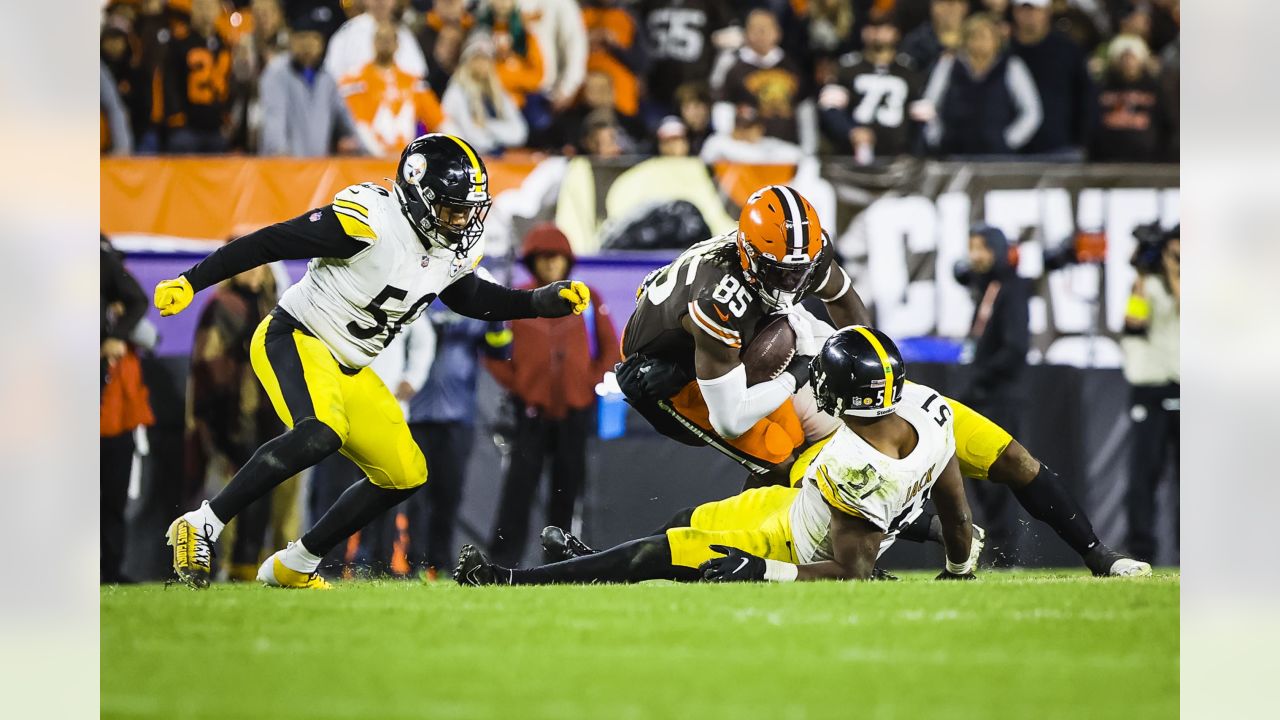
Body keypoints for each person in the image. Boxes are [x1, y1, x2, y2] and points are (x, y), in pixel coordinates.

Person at [613, 185, 1150, 577]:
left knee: (1011, 458)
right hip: (670, 371)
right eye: (780, 273)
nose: (793, 281)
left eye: (800, 270)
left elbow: (842, 298)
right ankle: (648, 559)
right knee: (781, 461)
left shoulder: (799, 257)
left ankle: (1099, 553)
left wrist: (862, 356)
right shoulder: (722, 293)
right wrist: (805, 368)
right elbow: (731, 412)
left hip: (784, 356)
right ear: (752, 257)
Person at [153, 133, 594, 590]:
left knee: (405, 473)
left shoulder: (448, 244)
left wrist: (538, 302)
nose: (462, 219)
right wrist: (192, 280)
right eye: (452, 207)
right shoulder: (371, 221)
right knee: (320, 431)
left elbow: (469, 295)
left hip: (349, 366)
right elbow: (270, 243)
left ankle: (297, 563)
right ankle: (203, 523)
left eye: (468, 208)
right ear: (419, 195)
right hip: (296, 336)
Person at [455, 327, 979, 585]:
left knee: (659, 554)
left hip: (791, 542)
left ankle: (508, 579)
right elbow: (956, 510)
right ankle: (597, 566)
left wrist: (763, 571)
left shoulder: (859, 467)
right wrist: (958, 569)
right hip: (793, 507)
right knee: (682, 525)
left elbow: (851, 572)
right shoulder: (928, 411)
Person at [485, 224, 620, 566]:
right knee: (516, 494)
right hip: (530, 413)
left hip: (575, 412)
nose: (551, 266)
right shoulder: (519, 300)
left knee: (567, 493)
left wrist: (588, 382)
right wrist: (520, 386)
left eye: (556, 259)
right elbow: (492, 353)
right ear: (532, 263)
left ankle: (560, 566)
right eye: (543, 260)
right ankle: (501, 564)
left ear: (567, 262)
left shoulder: (587, 300)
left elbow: (610, 349)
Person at [185, 264, 301, 581]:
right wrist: (218, 423)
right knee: (222, 496)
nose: (253, 274)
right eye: (247, 268)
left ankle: (245, 567)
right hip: (229, 417)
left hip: (268, 413)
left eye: (260, 268)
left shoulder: (273, 306)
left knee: (261, 493)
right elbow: (208, 365)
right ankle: (210, 566)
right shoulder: (222, 306)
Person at [407, 303, 513, 577]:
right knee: (415, 495)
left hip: (457, 417)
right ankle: (414, 561)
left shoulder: (471, 304)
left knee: (449, 494)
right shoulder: (417, 296)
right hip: (415, 414)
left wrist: (496, 319)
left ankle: (439, 562)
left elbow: (501, 351)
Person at [953, 224, 1030, 567]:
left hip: (999, 398)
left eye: (980, 248)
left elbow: (1016, 349)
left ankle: (1006, 556)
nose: (974, 256)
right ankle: (992, 553)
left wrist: (980, 380)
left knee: (999, 479)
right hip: (982, 396)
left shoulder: (1011, 289)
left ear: (997, 251)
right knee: (980, 481)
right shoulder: (988, 288)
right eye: (972, 247)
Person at [1121, 224, 1179, 564]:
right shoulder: (1147, 285)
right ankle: (1142, 551)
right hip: (1150, 387)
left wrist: (1176, 270)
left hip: (1187, 384)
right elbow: (1133, 322)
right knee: (1143, 475)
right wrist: (1143, 273)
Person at [101, 235, 153, 584]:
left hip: (110, 404)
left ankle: (110, 569)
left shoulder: (101, 262)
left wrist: (115, 334)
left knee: (111, 494)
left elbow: (138, 303)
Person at [922, 12, 1042, 156]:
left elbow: (1032, 111)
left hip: (996, 156)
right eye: (974, 36)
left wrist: (1009, 140)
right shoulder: (949, 64)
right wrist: (936, 136)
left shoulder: (1011, 66)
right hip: (953, 152)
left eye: (985, 36)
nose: (980, 42)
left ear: (996, 40)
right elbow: (929, 103)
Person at [818, 13, 928, 160]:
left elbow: (921, 120)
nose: (877, 33)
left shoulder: (910, 71)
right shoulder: (847, 68)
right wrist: (850, 131)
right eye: (872, 28)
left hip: (898, 158)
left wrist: (914, 154)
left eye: (884, 28)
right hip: (853, 157)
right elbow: (829, 109)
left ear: (896, 33)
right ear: (863, 32)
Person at [712, 9, 816, 154]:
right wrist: (728, 141)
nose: (759, 35)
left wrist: (809, 149)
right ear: (746, 33)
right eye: (754, 29)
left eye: (764, 30)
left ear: (777, 33)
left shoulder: (792, 66)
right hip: (746, 150)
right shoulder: (733, 65)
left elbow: (805, 110)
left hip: (787, 149)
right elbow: (723, 106)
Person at [340, 21, 446, 157]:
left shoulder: (413, 83)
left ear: (397, 44)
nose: (385, 43)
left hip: (404, 159)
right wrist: (379, 154)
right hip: (367, 159)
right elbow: (358, 124)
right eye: (381, 38)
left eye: (389, 39)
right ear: (373, 42)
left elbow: (439, 121)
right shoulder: (355, 81)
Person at [259, 22, 365, 156]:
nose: (307, 45)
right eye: (302, 38)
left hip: (318, 168)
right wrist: (279, 158)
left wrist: (367, 152)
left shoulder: (327, 78)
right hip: (283, 166)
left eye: (313, 38)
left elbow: (346, 120)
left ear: (321, 44)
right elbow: (274, 121)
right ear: (291, 41)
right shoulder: (276, 73)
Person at [1009, 0, 1097, 158]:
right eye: (1024, 10)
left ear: (1047, 11)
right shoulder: (1004, 51)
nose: (1030, 15)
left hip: (1061, 149)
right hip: (1011, 151)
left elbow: (1086, 97)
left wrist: (1083, 142)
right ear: (1015, 12)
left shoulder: (1068, 49)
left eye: (1036, 10)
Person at [638, 0, 734, 116]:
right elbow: (638, 37)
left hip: (696, 87)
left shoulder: (711, 3)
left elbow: (729, 38)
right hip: (657, 86)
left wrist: (715, 79)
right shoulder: (650, 3)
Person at [439, 33, 529, 155]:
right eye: (477, 59)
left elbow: (519, 132)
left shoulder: (497, 92)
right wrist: (495, 138)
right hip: (464, 157)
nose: (482, 64)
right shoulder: (456, 91)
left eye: (486, 59)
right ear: (467, 61)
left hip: (494, 157)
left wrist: (487, 125)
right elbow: (472, 136)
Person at [164, 0, 233, 153]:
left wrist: (227, 117)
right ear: (193, 10)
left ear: (217, 10)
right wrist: (177, 117)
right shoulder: (179, 42)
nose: (205, 12)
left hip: (216, 126)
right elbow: (169, 82)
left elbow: (230, 83)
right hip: (187, 126)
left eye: (209, 7)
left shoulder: (225, 44)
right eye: (200, 6)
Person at [1090, 34, 1168, 163]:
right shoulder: (1102, 88)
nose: (1128, 62)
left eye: (1132, 57)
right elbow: (1092, 123)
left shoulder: (1154, 89)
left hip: (1146, 160)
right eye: (1123, 58)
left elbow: (1165, 124)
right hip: (1107, 159)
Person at [324, 0, 428, 82]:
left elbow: (418, 75)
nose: (380, 1)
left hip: (396, 103)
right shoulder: (347, 33)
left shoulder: (404, 35)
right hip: (356, 102)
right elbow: (331, 76)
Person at [580, 0, 650, 119]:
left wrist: (615, 46)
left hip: (621, 104)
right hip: (581, 101)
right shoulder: (577, 14)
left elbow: (643, 63)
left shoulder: (629, 16)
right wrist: (585, 41)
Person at [521, 0, 589, 114]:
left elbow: (575, 45)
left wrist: (567, 87)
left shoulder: (562, 4)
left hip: (546, 90)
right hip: (507, 88)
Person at [475, 0, 546, 110]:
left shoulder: (524, 29)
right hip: (486, 92)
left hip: (517, 97)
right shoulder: (480, 25)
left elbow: (537, 76)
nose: (502, 3)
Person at [699, 101, 804, 165]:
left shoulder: (767, 145)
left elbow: (798, 155)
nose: (745, 132)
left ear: (760, 128)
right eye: (741, 127)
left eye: (749, 127)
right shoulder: (719, 143)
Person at [417, 0, 474, 97]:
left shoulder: (473, 31)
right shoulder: (422, 35)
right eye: (444, 2)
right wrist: (440, 62)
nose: (448, 8)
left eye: (452, 3)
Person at [900, 0, 968, 73]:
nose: (947, 9)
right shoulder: (917, 40)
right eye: (940, 3)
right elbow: (906, 72)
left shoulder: (976, 35)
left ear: (964, 7)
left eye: (951, 3)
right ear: (932, 8)